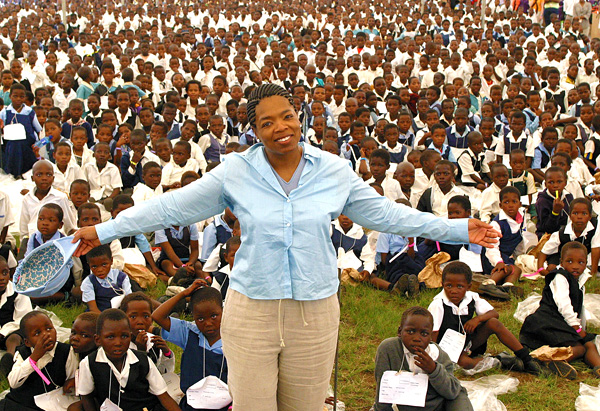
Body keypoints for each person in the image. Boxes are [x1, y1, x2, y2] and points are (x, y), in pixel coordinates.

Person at [73, 84, 499, 410]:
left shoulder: (331, 170)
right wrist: (105, 229)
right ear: (254, 131)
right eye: (267, 122)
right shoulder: (236, 171)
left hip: (313, 313)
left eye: (288, 116)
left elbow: (387, 215)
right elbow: (170, 207)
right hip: (251, 312)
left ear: (301, 118)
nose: (281, 128)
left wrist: (459, 228)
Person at [428, 262, 542, 373]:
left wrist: (477, 319)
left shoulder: (472, 297)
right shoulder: (438, 304)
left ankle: (526, 359)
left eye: (459, 286)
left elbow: (494, 314)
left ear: (468, 287)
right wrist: (435, 358)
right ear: (442, 284)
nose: (454, 291)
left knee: (493, 323)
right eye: (449, 286)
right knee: (465, 363)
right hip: (447, 347)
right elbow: (433, 335)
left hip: (467, 342)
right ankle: (500, 361)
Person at [520, 242, 600, 380]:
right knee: (580, 348)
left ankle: (598, 367)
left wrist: (582, 329)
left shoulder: (580, 280)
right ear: (561, 262)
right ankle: (545, 359)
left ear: (586, 263)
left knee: (588, 344)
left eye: (581, 262)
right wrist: (576, 328)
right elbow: (564, 305)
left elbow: (579, 308)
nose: (575, 266)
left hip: (562, 322)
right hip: (547, 322)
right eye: (570, 261)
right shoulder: (560, 277)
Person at [78, 309, 181, 411]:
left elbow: (163, 395)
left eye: (124, 336)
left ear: (130, 337)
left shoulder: (143, 360)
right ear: (98, 340)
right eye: (110, 337)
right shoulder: (88, 363)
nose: (118, 342)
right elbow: (86, 398)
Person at [373, 306, 473, 411]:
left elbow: (452, 392)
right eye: (410, 331)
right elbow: (383, 390)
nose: (417, 338)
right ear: (400, 331)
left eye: (424, 334)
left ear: (430, 337)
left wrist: (434, 369)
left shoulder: (438, 355)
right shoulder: (389, 349)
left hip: (441, 403)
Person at [153, 280, 230, 411]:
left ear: (223, 311)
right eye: (200, 318)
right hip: (192, 405)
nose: (208, 323)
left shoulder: (233, 338)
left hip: (226, 405)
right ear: (192, 316)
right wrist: (183, 294)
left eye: (214, 316)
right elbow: (157, 316)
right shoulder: (189, 333)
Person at [0, 311, 78, 410]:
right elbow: (13, 383)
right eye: (37, 333)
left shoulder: (66, 352)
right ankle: (7, 366)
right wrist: (34, 357)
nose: (46, 335)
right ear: (27, 342)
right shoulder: (23, 353)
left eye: (49, 328)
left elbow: (71, 381)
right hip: (26, 400)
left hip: (54, 399)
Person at [119, 292, 174, 374]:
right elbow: (131, 377)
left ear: (152, 319)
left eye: (146, 316)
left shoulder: (151, 341)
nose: (140, 321)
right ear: (123, 318)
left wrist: (166, 353)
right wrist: (141, 352)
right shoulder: (119, 344)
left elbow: (160, 374)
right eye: (133, 317)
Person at [0, 256, 32, 377]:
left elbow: (23, 319)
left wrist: (4, 332)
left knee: (14, 338)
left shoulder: (18, 291)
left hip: (12, 330)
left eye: (5, 273)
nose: (2, 278)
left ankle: (10, 356)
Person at [80, 244, 132, 313]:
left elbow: (129, 301)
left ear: (111, 260)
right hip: (98, 315)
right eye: (94, 266)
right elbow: (93, 309)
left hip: (119, 314)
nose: (100, 270)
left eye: (104, 264)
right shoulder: (89, 282)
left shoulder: (122, 277)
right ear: (89, 264)